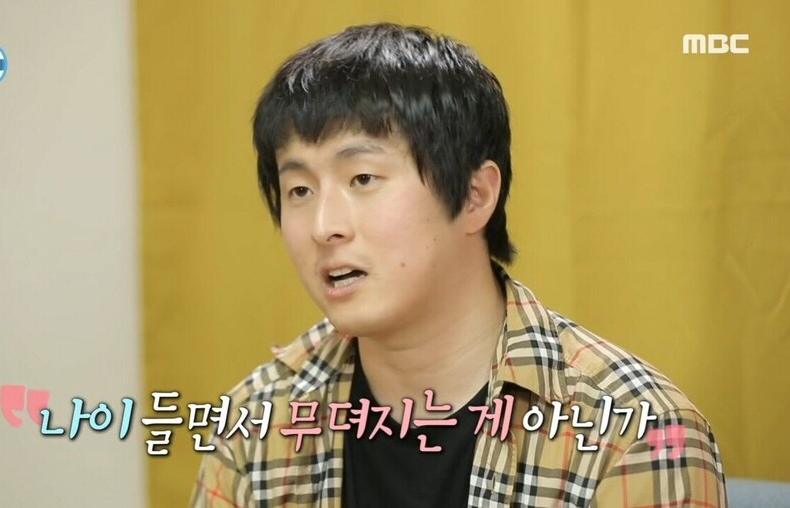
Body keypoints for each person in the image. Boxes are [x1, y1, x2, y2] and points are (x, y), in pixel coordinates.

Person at [191, 23, 726, 507]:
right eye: (299, 190)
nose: (323, 226)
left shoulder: (636, 434)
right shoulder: (257, 422)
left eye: (363, 179)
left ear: (475, 196)